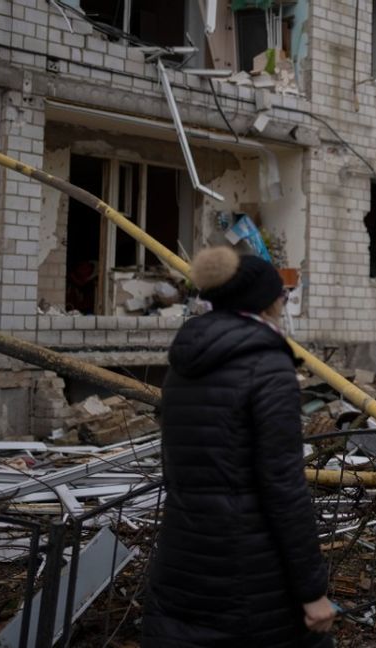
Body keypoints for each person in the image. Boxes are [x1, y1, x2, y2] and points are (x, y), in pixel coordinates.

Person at [143, 246, 335, 647]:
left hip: (183, 558)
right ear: (264, 300)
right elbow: (284, 487)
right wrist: (312, 590)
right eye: (280, 292)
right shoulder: (267, 367)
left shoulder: (183, 364)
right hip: (252, 570)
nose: (284, 299)